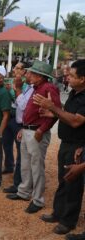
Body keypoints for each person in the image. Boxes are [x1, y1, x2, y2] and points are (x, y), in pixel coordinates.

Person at [33, 59, 85, 235]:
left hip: (77, 146)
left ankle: (68, 221)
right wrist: (52, 111)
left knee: (73, 184)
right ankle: (58, 212)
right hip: (66, 143)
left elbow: (76, 121)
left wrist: (53, 107)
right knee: (62, 180)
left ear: (83, 78)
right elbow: (67, 115)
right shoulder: (74, 93)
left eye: (71, 75)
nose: (67, 77)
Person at [6, 60, 61, 214]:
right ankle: (24, 192)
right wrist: (24, 127)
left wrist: (41, 129)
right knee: (25, 164)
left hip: (37, 132)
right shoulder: (36, 87)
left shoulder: (49, 88)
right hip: (28, 130)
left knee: (36, 167)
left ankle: (38, 200)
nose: (28, 74)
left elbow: (56, 112)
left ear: (40, 76)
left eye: (31, 73)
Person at [3, 63, 33, 194]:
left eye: (18, 68)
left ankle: (19, 182)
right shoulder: (11, 81)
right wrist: (8, 91)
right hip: (10, 117)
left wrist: (15, 91)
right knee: (6, 144)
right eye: (15, 67)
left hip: (20, 122)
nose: (15, 70)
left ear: (25, 71)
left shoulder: (26, 85)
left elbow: (21, 103)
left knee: (21, 151)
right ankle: (9, 166)